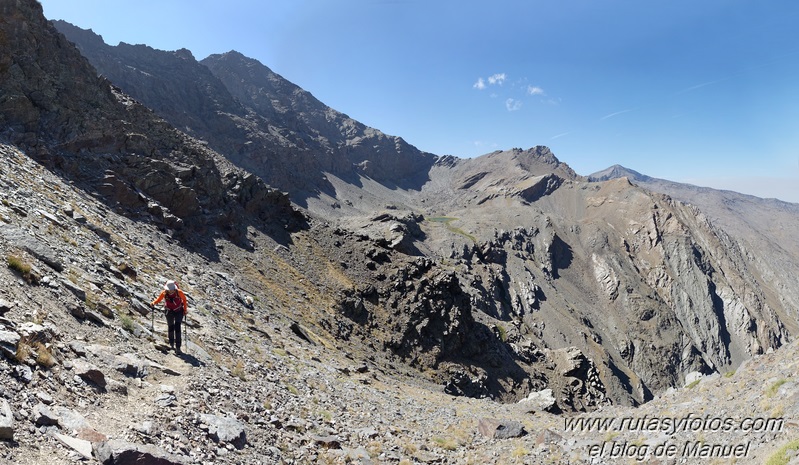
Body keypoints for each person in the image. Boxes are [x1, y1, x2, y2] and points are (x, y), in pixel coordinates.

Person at [151, 280, 188, 354]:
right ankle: (171, 344)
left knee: (177, 328)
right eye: (169, 290)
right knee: (171, 327)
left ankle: (178, 347)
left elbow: (184, 300)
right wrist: (153, 303)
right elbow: (159, 299)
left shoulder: (179, 292)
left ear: (175, 288)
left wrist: (185, 310)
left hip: (179, 311)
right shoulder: (164, 293)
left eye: (172, 289)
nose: (171, 291)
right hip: (169, 311)